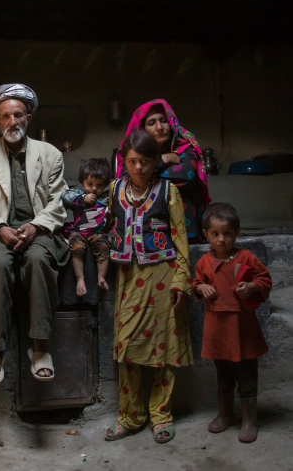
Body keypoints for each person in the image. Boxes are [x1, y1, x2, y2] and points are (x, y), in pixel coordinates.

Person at [0, 83, 69, 386]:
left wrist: (35, 226)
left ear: (28, 118)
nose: (12, 122)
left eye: (18, 115)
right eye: (5, 117)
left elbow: (58, 201)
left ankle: (41, 347)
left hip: (39, 231)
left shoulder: (50, 154)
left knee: (37, 260)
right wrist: (0, 229)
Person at [106, 129, 192, 444]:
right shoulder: (114, 189)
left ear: (155, 161)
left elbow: (181, 239)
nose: (139, 167)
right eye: (132, 161)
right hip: (129, 278)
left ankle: (161, 415)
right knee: (127, 348)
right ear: (123, 161)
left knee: (164, 351)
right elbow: (102, 225)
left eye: (145, 161)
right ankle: (131, 416)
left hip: (165, 277)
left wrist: (182, 279)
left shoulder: (169, 192)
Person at [193, 202, 272, 443]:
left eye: (227, 233)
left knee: (247, 377)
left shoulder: (246, 257)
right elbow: (195, 283)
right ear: (206, 234)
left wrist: (252, 287)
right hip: (218, 330)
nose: (221, 239)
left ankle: (249, 420)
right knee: (224, 377)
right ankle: (225, 414)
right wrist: (202, 287)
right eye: (215, 234)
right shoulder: (204, 262)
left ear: (237, 233)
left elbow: (265, 279)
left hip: (244, 330)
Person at [118, 98, 210, 243]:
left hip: (186, 225)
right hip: (148, 227)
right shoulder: (134, 152)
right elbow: (126, 177)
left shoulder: (185, 148)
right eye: (152, 123)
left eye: (163, 120)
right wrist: (162, 160)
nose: (160, 127)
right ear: (142, 129)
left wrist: (147, 175)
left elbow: (186, 176)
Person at [61, 157, 112, 296]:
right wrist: (82, 199)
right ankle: (80, 279)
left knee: (104, 246)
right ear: (82, 181)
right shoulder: (78, 194)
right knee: (75, 245)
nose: (94, 189)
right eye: (90, 184)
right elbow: (65, 195)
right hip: (80, 232)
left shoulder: (106, 198)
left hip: (98, 233)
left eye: (100, 185)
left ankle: (101, 277)